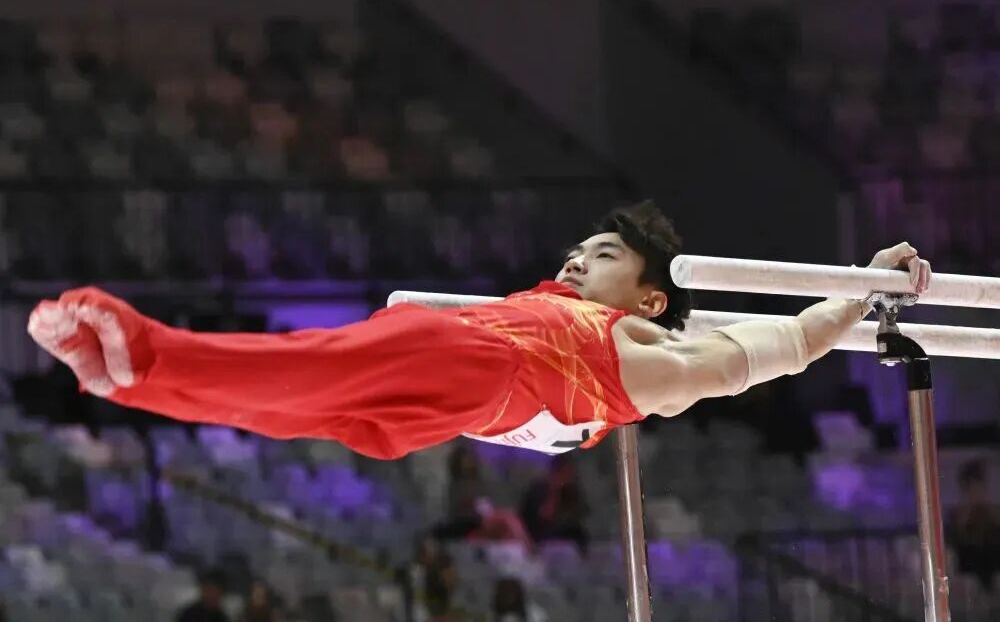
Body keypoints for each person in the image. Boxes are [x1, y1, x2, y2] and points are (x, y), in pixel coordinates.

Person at [26, 200, 932, 460]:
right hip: (454, 398)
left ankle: (139, 356)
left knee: (298, 381)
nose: (576, 260)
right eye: (578, 249)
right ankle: (131, 373)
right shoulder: (554, 300)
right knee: (284, 401)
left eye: (603, 255)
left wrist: (863, 293)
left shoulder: (647, 353)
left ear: (652, 298)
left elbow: (778, 350)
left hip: (473, 368)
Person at [947, 459, 1000, 590]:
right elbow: (955, 544)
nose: (975, 493)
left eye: (978, 488)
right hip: (969, 573)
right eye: (971, 489)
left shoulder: (993, 513)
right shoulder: (958, 517)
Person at [520, 456, 590, 554]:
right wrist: (554, 489)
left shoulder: (570, 491)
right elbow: (544, 516)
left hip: (566, 537)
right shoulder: (539, 489)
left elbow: (581, 514)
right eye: (565, 472)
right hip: (540, 538)